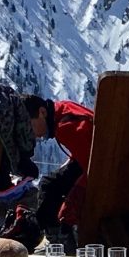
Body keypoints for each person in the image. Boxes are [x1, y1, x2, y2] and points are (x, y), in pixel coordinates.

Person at [26, 93, 97, 241]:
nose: (33, 134)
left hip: (99, 171)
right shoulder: (63, 109)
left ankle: (59, 238)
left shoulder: (65, 128)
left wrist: (68, 208)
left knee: (48, 186)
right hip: (99, 162)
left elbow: (93, 171)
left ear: (42, 112)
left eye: (31, 126)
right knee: (50, 182)